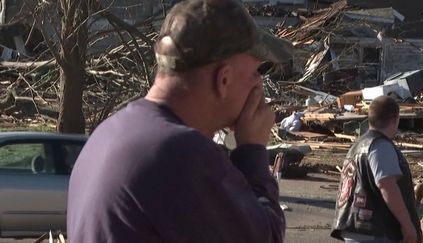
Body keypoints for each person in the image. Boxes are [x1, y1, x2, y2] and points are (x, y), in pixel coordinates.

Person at [67, 0, 292, 242]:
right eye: (255, 73)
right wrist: (252, 151)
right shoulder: (181, 152)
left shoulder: (110, 132)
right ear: (223, 80)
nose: (259, 84)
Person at [331, 96, 421, 243]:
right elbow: (387, 186)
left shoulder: (357, 146)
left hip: (354, 226)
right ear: (395, 118)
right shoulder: (380, 146)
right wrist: (408, 226)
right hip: (375, 230)